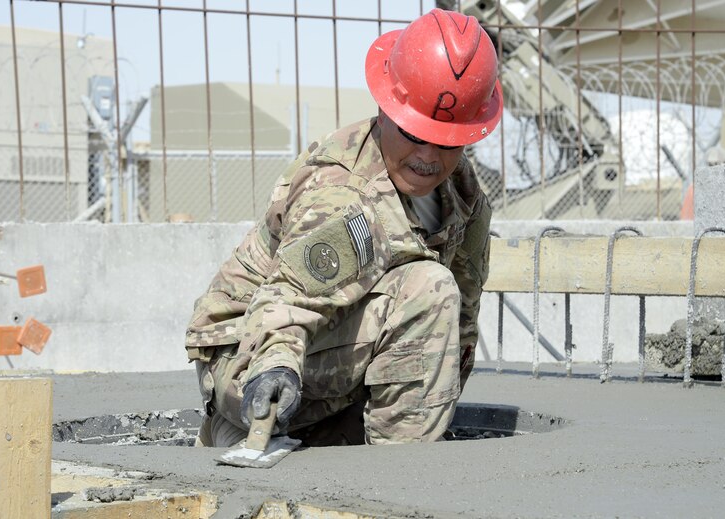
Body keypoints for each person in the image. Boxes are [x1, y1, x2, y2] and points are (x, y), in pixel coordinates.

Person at [185, 7, 503, 447]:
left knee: (433, 299)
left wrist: (431, 410)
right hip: (249, 358)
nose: (429, 156)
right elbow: (287, 303)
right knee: (427, 287)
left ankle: (350, 440)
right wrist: (275, 366)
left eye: (447, 141)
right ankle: (392, 476)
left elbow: (462, 322)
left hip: (334, 345)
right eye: (413, 134)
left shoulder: (464, 199)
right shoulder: (344, 194)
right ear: (385, 109)